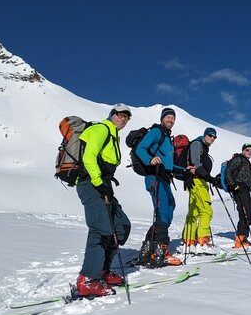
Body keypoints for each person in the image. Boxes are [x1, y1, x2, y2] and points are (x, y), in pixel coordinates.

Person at [75, 104, 132, 297]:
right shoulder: (101, 129)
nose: (122, 119)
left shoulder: (113, 135)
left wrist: (104, 184)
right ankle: (88, 280)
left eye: (126, 117)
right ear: (112, 115)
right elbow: (89, 157)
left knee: (121, 225)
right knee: (100, 230)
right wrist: (99, 183)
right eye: (119, 115)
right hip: (90, 184)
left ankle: (103, 272)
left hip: (103, 186)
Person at [135, 107, 189, 266]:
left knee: (169, 208)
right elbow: (141, 149)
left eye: (173, 118)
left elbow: (169, 164)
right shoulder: (156, 132)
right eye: (168, 117)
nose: (171, 120)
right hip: (154, 177)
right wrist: (149, 160)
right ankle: (161, 251)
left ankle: (148, 248)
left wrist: (185, 170)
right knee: (162, 212)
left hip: (164, 178)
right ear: (162, 118)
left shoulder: (166, 138)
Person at [182, 127, 219, 255]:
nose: (212, 138)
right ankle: (203, 242)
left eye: (214, 137)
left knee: (195, 212)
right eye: (210, 135)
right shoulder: (197, 144)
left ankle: (189, 241)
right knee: (206, 210)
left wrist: (209, 178)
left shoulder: (203, 147)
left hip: (196, 181)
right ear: (204, 135)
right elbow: (196, 163)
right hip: (197, 181)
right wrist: (209, 177)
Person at [225, 143, 251, 249]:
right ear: (243, 150)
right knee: (244, 213)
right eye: (247, 150)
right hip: (239, 189)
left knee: (248, 213)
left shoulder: (246, 161)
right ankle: (239, 240)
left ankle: (244, 237)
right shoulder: (238, 159)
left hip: (246, 189)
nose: (249, 152)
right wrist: (233, 185)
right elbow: (228, 171)